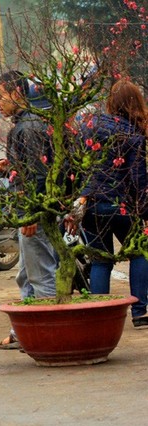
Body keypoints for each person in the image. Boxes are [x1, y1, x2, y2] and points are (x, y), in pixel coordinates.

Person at [67, 79, 148, 328]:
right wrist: (145, 211)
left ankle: (98, 315)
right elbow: (137, 178)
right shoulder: (133, 134)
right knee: (139, 251)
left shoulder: (90, 128)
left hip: (91, 206)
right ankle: (140, 311)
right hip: (121, 205)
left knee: (101, 259)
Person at [0, 70, 57, 350]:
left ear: (18, 93)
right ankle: (23, 332)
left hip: (34, 212)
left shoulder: (28, 128)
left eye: (0, 96)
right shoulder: (27, 125)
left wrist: (31, 214)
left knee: (40, 275)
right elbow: (31, 169)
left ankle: (49, 335)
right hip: (29, 209)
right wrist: (11, 166)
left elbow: (39, 176)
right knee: (26, 274)